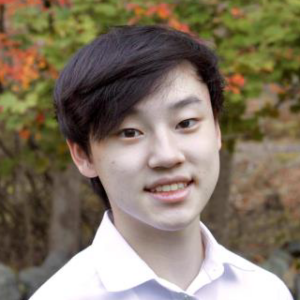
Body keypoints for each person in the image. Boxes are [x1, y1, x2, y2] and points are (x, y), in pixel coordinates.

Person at [30, 25, 293, 300]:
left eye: (186, 123)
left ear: (216, 129)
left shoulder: (265, 291)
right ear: (83, 155)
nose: (167, 156)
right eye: (130, 132)